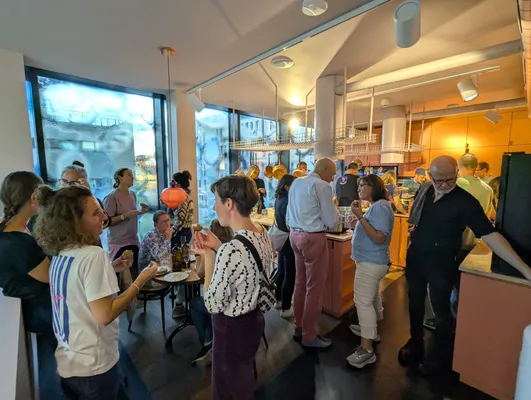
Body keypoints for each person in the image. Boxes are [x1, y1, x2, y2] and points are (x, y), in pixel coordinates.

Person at [398, 156, 531, 376]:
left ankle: (438, 355)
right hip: (416, 257)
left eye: (450, 180)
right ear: (430, 176)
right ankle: (416, 342)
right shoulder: (425, 190)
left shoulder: (465, 201)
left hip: (442, 262)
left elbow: (489, 234)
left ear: (457, 174)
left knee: (441, 311)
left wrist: (524, 268)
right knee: (414, 304)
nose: (444, 185)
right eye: (438, 180)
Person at [33, 185, 158, 399]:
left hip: (69, 361)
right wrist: (140, 281)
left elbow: (78, 289)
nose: (104, 217)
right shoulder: (93, 255)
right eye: (95, 213)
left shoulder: (60, 255)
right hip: (95, 366)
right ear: (74, 222)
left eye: (101, 210)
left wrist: (111, 267)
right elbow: (105, 314)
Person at [191, 175, 272, 400]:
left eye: (216, 200)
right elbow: (246, 263)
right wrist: (218, 245)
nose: (213, 207)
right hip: (254, 320)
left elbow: (212, 304)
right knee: (243, 374)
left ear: (229, 203)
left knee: (227, 386)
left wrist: (209, 256)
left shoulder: (231, 250)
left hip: (231, 329)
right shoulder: (260, 232)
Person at [423, 153, 494, 330]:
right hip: (473, 246)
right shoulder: (487, 189)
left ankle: (442, 323)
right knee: (460, 288)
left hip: (448, 247)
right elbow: (489, 216)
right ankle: (457, 324)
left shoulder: (456, 188)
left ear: (459, 169)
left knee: (439, 288)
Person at [286, 158, 339, 348]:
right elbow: (331, 221)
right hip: (313, 238)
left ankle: (298, 326)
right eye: (332, 174)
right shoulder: (323, 186)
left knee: (300, 284)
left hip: (294, 235)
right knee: (314, 289)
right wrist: (334, 208)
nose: (332, 178)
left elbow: (288, 215)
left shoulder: (296, 183)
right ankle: (309, 336)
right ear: (324, 169)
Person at [346, 174, 394, 368]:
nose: (359, 189)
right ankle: (371, 330)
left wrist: (360, 217)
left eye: (362, 186)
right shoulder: (378, 206)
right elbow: (372, 231)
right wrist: (359, 221)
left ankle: (367, 350)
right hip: (372, 260)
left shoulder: (381, 207)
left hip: (371, 262)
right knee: (372, 296)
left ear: (373, 187)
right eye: (358, 186)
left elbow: (379, 237)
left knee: (362, 302)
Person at [0, 171, 52, 335]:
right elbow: (51, 275)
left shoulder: (15, 228)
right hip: (41, 313)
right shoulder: (16, 242)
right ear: (34, 198)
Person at [189, 219, 233, 367]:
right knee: (208, 310)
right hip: (234, 303)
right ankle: (212, 341)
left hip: (219, 305)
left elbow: (200, 274)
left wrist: (202, 256)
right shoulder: (232, 249)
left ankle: (208, 343)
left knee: (196, 303)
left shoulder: (211, 251)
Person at [103, 168, 149, 279]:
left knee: (135, 275)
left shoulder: (132, 194)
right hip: (119, 243)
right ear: (119, 177)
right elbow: (106, 222)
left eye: (132, 175)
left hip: (133, 240)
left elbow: (132, 214)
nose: (132, 177)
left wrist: (141, 212)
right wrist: (124, 216)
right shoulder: (112, 197)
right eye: (129, 175)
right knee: (123, 278)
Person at [60, 163, 111, 230]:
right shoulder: (52, 202)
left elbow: (104, 222)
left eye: (73, 183)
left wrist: (87, 193)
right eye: (64, 181)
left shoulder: (92, 201)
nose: (67, 186)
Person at [274, 174, 296, 319]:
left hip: (280, 238)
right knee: (290, 273)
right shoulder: (289, 200)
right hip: (288, 238)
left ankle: (279, 300)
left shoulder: (279, 198)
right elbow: (291, 223)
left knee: (281, 271)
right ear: (287, 186)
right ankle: (286, 308)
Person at [169, 171, 194, 248]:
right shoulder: (183, 196)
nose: (170, 184)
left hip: (180, 233)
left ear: (178, 185)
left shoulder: (182, 197)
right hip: (182, 231)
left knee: (178, 254)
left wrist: (170, 233)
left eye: (173, 182)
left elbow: (180, 219)